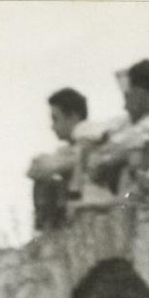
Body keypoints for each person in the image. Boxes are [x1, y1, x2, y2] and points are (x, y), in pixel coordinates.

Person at [83, 59, 149, 195]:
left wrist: (106, 156)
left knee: (130, 159)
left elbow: (133, 138)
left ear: (138, 92)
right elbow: (113, 133)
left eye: (129, 93)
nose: (126, 102)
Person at [26, 88, 89, 231]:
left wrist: (52, 164)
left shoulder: (90, 139)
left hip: (88, 214)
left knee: (49, 184)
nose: (52, 126)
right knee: (47, 182)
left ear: (73, 116)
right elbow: (33, 170)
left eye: (56, 119)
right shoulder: (67, 149)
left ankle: (48, 232)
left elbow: (40, 167)